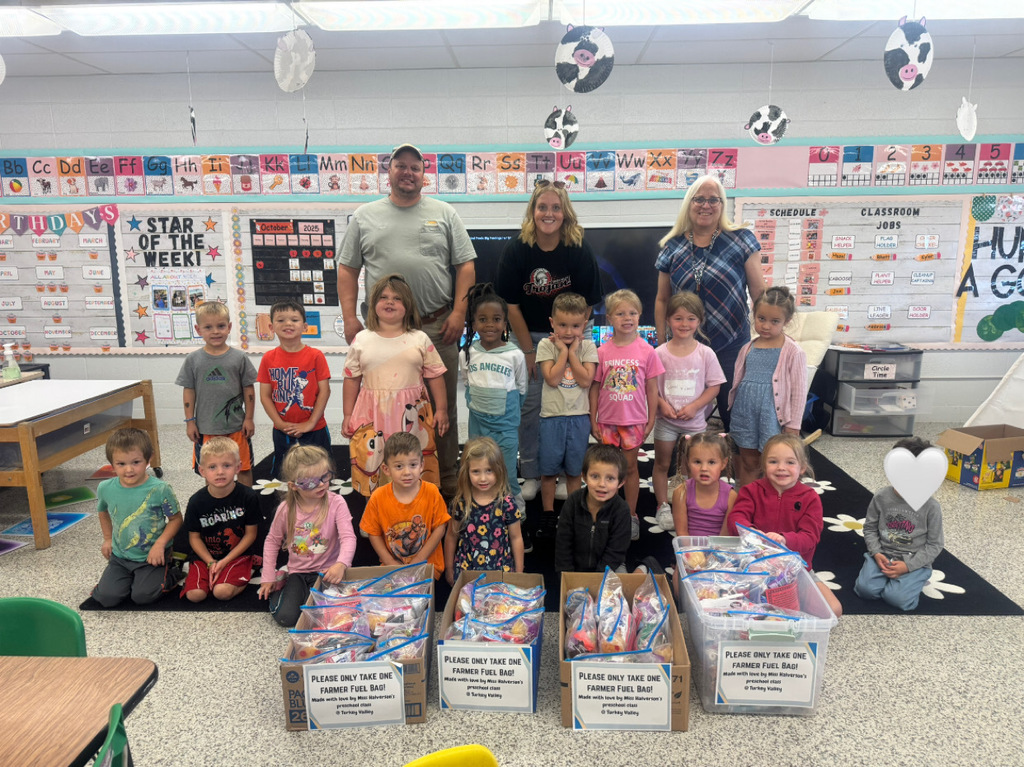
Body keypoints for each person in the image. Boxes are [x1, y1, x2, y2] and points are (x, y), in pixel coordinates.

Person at [337, 143, 476, 500]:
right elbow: (348, 269)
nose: (408, 173)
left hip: (437, 325)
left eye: (415, 167)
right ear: (390, 171)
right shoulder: (365, 215)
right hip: (380, 333)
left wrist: (460, 312)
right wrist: (350, 318)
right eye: (401, 166)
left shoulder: (444, 212)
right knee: (380, 407)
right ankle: (381, 486)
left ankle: (443, 483)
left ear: (424, 173)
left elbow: (466, 267)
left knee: (440, 411)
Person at [495, 180, 603, 501]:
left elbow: (589, 302)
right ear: (532, 211)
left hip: (573, 331)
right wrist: (529, 350)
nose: (549, 213)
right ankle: (530, 472)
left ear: (565, 212)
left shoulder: (578, 247)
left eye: (556, 207)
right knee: (531, 407)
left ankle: (569, 474)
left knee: (571, 405)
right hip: (528, 335)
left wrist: (571, 343)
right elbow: (511, 306)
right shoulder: (517, 250)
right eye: (542, 207)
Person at [654, 174, 766, 431]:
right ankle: (679, 471)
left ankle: (738, 469)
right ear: (688, 204)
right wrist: (662, 343)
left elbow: (759, 292)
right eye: (699, 199)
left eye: (713, 200)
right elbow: (662, 299)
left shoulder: (741, 240)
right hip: (684, 347)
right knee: (679, 417)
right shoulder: (672, 246)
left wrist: (766, 339)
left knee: (736, 418)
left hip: (732, 345)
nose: (706, 205)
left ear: (722, 204)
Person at [342, 274, 449, 494]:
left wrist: (443, 409)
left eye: (397, 298)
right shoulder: (362, 339)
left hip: (411, 415)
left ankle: (414, 508)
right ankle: (375, 512)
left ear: (408, 307)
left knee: (410, 463)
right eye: (384, 297)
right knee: (373, 462)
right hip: (372, 414)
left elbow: (435, 376)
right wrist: (346, 415)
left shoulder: (419, 338)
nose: (390, 301)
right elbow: (352, 379)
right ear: (373, 305)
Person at [727, 433, 843, 617]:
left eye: (790, 462)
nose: (781, 468)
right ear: (764, 465)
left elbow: (810, 537)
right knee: (744, 610)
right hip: (754, 567)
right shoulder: (751, 490)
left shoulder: (810, 498)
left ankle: (786, 606)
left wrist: (784, 539)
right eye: (773, 461)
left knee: (833, 610)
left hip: (797, 571)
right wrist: (752, 533)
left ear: (802, 467)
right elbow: (736, 518)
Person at [589, 289, 664, 540]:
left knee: (630, 468)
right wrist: (593, 418)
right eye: (620, 313)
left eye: (632, 312)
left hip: (633, 421)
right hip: (607, 422)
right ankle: (608, 512)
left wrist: (651, 418)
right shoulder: (602, 352)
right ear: (609, 318)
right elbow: (595, 388)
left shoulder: (647, 351)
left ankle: (630, 515)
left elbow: (652, 389)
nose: (627, 318)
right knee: (608, 470)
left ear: (640, 315)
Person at [257, 445, 356, 627]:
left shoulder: (337, 502)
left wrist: (341, 564)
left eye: (325, 477)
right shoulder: (286, 509)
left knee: (335, 615)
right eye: (311, 482)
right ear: (294, 486)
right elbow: (272, 541)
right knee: (286, 618)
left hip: (329, 571)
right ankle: (282, 584)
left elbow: (348, 537)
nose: (320, 484)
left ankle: (309, 595)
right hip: (298, 573)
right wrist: (268, 576)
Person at [652, 291, 725, 529]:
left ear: (700, 321)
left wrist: (695, 406)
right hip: (666, 420)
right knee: (662, 463)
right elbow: (651, 385)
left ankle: (688, 504)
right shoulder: (659, 353)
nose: (684, 324)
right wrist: (662, 405)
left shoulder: (705, 353)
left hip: (694, 422)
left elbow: (714, 386)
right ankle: (663, 505)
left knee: (690, 466)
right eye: (678, 318)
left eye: (691, 319)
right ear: (668, 320)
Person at [90, 428, 182, 607]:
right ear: (112, 463)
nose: (129, 469)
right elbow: (102, 511)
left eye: (136, 462)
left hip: (152, 556)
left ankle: (172, 573)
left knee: (142, 597)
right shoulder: (105, 488)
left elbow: (176, 519)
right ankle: (122, 580)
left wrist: (160, 545)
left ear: (149, 459)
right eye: (121, 464)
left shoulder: (160, 489)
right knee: (107, 598)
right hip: (120, 557)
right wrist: (108, 539)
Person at [459, 282, 527, 523]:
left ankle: (514, 505)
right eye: (483, 319)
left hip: (506, 426)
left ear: (505, 323)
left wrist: (509, 415)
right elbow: (467, 383)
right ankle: (477, 506)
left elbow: (521, 388)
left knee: (505, 469)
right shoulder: (467, 353)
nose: (490, 325)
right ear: (474, 323)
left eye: (496, 319)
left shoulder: (515, 355)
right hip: (478, 425)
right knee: (478, 466)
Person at [728, 286, 807, 487]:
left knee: (772, 462)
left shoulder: (793, 351)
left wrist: (793, 427)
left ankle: (769, 505)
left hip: (773, 415)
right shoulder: (747, 347)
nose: (766, 326)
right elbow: (740, 380)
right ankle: (746, 505)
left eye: (775, 321)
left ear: (786, 322)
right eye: (761, 318)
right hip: (746, 413)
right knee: (748, 461)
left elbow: (798, 392)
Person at [854, 437, 944, 612]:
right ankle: (893, 581)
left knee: (896, 599)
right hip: (883, 556)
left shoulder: (931, 507)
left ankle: (912, 580)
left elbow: (935, 544)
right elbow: (870, 528)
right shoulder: (881, 497)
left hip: (913, 561)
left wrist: (908, 566)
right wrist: (876, 552)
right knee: (865, 590)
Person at [536, 291, 597, 537]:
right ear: (552, 323)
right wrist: (562, 352)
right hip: (551, 418)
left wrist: (572, 352)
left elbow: (585, 380)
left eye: (575, 325)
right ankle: (549, 514)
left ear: (584, 323)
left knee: (574, 471)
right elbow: (551, 378)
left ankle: (572, 514)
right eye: (562, 325)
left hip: (579, 418)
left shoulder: (589, 346)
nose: (569, 331)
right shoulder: (545, 345)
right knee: (549, 470)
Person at [176, 301, 258, 486]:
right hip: (207, 429)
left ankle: (247, 502)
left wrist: (249, 418)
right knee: (211, 468)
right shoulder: (193, 360)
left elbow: (249, 389)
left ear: (229, 327)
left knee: (243, 466)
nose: (215, 331)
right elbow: (188, 392)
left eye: (221, 326)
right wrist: (190, 422)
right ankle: (215, 502)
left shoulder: (239, 358)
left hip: (237, 426)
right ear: (198, 329)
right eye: (208, 327)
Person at [360, 432, 451, 580]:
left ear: (422, 465)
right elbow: (373, 533)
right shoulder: (378, 497)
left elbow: (440, 528)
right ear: (386, 469)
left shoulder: (432, 492)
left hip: (428, 566)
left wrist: (418, 560)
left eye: (413, 465)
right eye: (399, 466)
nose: (407, 472)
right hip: (393, 569)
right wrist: (391, 563)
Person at [257, 299, 332, 476]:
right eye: (281, 320)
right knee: (285, 473)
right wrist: (280, 423)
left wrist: (310, 423)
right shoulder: (268, 358)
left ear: (305, 326)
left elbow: (324, 391)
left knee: (321, 471)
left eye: (294, 320)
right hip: (283, 429)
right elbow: (265, 396)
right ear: (271, 326)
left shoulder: (315, 356)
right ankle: (288, 503)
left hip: (315, 428)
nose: (288, 324)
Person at [181, 437, 260, 603]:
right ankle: (216, 573)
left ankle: (249, 568)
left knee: (221, 592)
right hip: (205, 556)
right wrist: (211, 563)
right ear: (202, 471)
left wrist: (224, 561)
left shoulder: (249, 497)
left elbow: (251, 534)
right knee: (195, 595)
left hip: (237, 554)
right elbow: (194, 537)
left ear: (238, 467)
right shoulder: (196, 501)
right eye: (212, 467)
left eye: (227, 465)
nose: (220, 472)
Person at [443, 436, 525, 584]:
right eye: (476, 471)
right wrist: (449, 569)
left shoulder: (506, 503)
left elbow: (516, 538)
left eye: (489, 471)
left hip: (500, 573)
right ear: (466, 472)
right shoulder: (461, 503)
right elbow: (451, 536)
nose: (482, 478)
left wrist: (519, 573)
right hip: (466, 572)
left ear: (499, 470)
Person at [554, 444, 631, 573]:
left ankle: (645, 566)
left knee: (623, 588)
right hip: (576, 568)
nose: (602, 484)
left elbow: (616, 552)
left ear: (621, 482)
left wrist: (596, 579)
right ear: (584, 477)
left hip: (610, 567)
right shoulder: (572, 502)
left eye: (610, 478)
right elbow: (563, 545)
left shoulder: (621, 509)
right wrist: (566, 575)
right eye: (595, 476)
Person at [669, 431, 736, 537]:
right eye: (697, 462)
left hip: (719, 550)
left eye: (711, 462)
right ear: (688, 462)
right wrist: (695, 553)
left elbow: (725, 538)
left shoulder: (731, 496)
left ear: (723, 463)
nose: (704, 469)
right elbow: (682, 533)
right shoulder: (681, 492)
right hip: (690, 550)